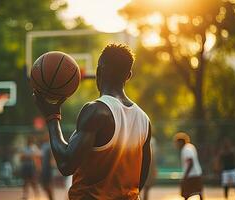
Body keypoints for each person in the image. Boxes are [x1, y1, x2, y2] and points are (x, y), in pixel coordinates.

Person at [33, 43, 152, 199]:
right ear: (128, 75)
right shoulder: (144, 120)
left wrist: (52, 117)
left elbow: (66, 164)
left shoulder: (97, 111)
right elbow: (140, 180)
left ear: (98, 71)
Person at [174, 132, 203, 200]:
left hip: (192, 175)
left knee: (186, 193)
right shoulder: (190, 146)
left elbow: (191, 162)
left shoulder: (186, 149)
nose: (176, 145)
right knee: (198, 192)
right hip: (196, 173)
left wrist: (185, 176)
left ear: (181, 142)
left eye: (177, 143)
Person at [20, 136, 41, 200]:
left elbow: (37, 156)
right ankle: (25, 195)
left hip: (32, 167)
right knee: (25, 182)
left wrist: (38, 167)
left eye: (30, 140)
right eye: (28, 140)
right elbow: (21, 157)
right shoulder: (24, 148)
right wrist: (30, 156)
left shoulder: (34, 147)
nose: (29, 142)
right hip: (26, 166)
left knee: (33, 181)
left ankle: (37, 195)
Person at [40, 134, 54, 200]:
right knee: (44, 185)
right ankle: (50, 197)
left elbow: (52, 156)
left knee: (48, 184)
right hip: (44, 168)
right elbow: (41, 157)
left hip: (48, 168)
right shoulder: (43, 145)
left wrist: (53, 164)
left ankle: (51, 198)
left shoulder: (50, 145)